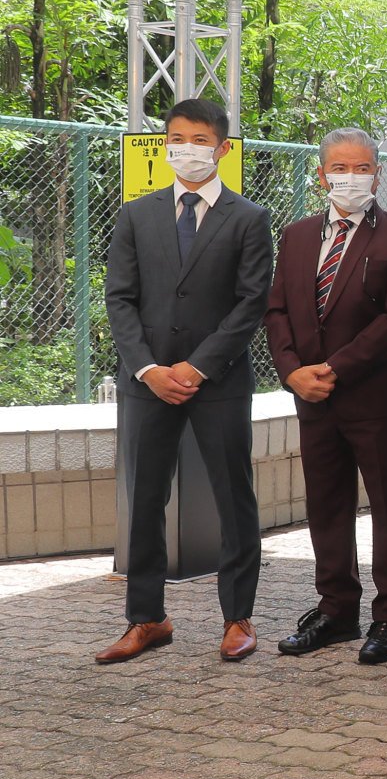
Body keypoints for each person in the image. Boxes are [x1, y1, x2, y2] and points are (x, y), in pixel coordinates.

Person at [97, 98, 273, 664]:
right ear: (164, 144)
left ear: (222, 148)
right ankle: (147, 619)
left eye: (200, 140)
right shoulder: (136, 214)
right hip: (145, 381)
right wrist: (148, 368)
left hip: (216, 381)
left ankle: (238, 618)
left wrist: (197, 367)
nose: (187, 149)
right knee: (145, 498)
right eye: (177, 138)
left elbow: (251, 305)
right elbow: (119, 299)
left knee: (233, 496)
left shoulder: (249, 218)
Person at [265, 127, 387, 665]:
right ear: (320, 172)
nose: (349, 178)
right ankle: (336, 610)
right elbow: (277, 309)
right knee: (325, 503)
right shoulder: (297, 235)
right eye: (339, 168)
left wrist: (333, 367)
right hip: (311, 397)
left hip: (372, 394)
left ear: (378, 173)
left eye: (360, 169)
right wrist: (293, 373)